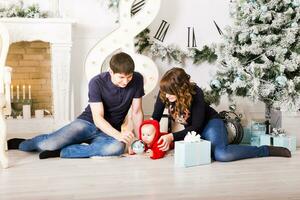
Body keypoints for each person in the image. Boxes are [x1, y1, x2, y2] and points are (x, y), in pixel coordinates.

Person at [8, 52, 144, 159]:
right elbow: (98, 118)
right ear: (111, 72)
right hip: (87, 123)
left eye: (129, 77)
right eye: (121, 77)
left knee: (116, 148)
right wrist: (118, 134)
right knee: (48, 144)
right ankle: (22, 144)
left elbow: (137, 112)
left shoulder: (137, 79)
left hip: (107, 131)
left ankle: (63, 152)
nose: (126, 81)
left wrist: (140, 140)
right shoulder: (96, 82)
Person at [151, 67, 291, 162]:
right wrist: (148, 137)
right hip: (192, 132)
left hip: (210, 124)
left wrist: (171, 136)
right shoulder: (165, 92)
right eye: (165, 91)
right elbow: (154, 119)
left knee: (221, 154)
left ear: (181, 89)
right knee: (203, 154)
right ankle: (219, 141)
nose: (166, 95)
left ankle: (265, 150)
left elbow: (197, 126)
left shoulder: (195, 92)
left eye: (170, 92)